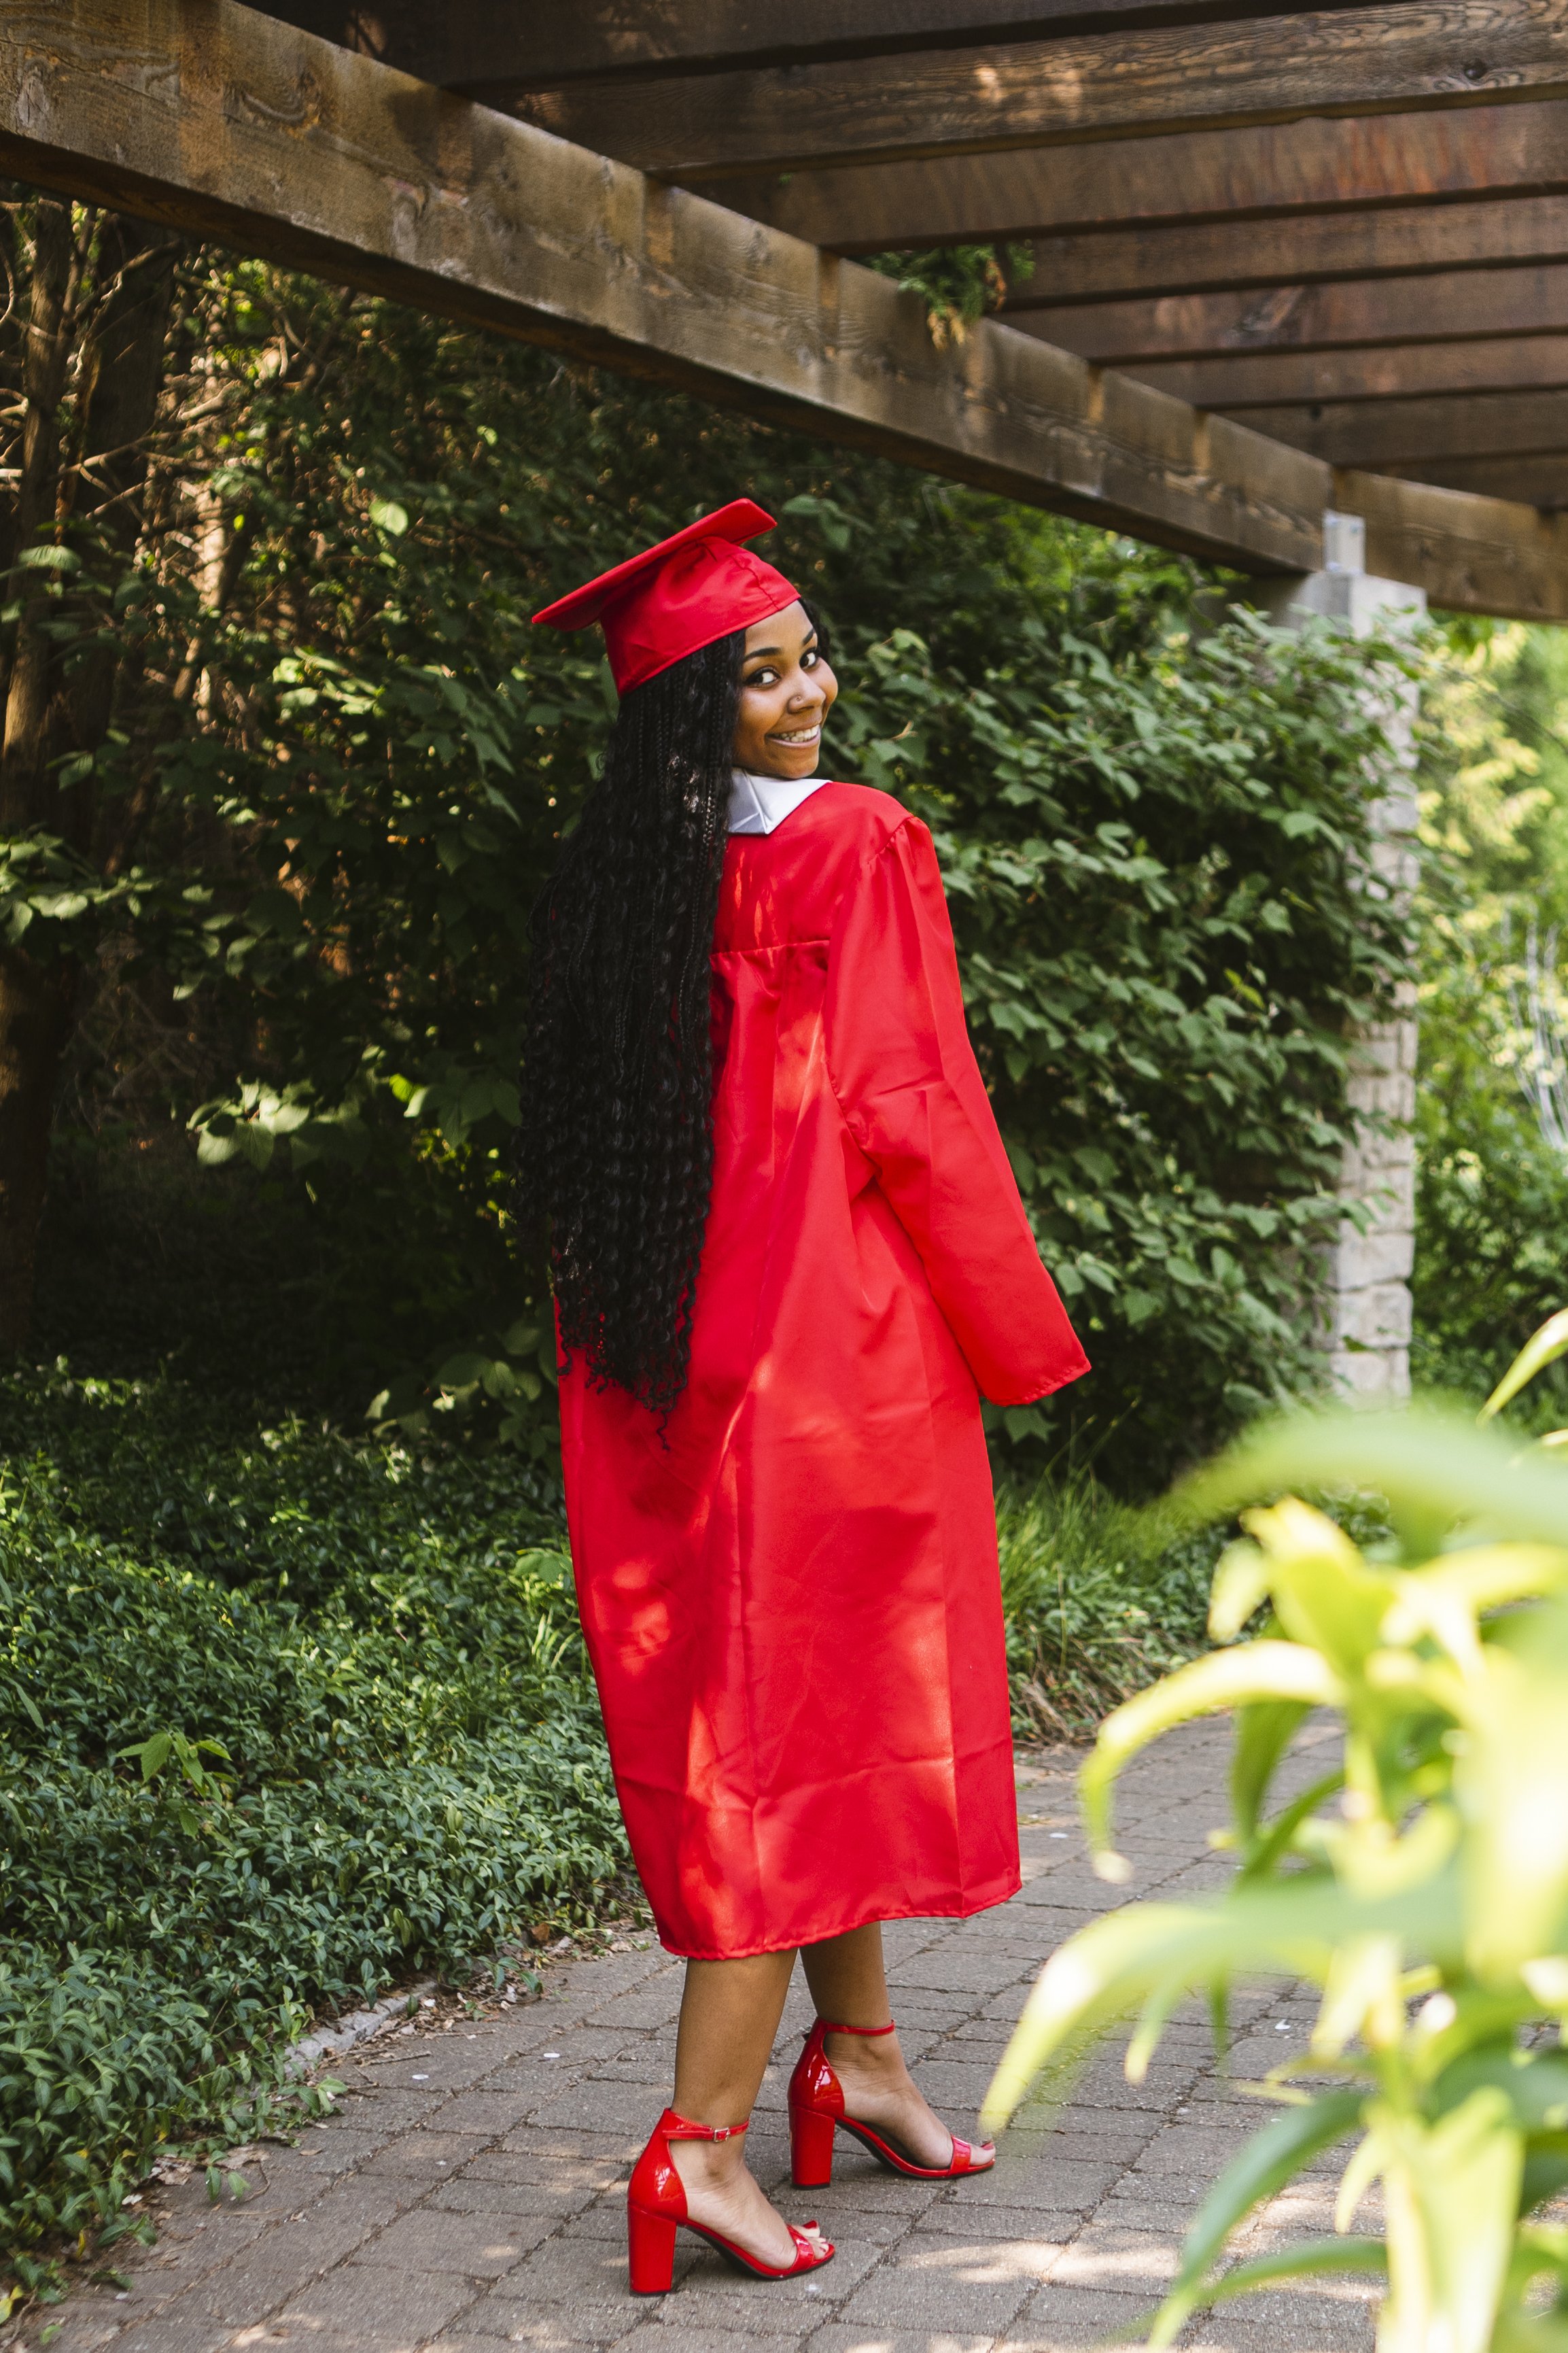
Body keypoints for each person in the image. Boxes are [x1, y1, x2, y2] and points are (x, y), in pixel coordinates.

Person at [523, 501, 1088, 2295]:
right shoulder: (858, 847)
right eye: (757, 676)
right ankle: (695, 2152)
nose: (803, 694)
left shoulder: (635, 867)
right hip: (828, 1366)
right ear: (697, 707)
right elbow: (910, 1107)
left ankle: (865, 2064)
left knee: (786, 1713)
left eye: (806, 660)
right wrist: (1019, 1339)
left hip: (665, 1362)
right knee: (780, 1745)